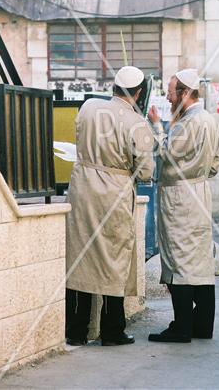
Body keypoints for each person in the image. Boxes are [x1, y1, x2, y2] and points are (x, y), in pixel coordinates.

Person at [66, 66, 154, 346]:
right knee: (114, 259)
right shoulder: (137, 122)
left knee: (80, 256)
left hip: (81, 189)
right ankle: (112, 330)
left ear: (114, 86)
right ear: (139, 93)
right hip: (114, 193)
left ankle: (76, 331)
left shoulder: (89, 107)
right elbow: (146, 172)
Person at [147, 68, 219, 343]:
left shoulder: (189, 122)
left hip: (180, 196)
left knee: (179, 259)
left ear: (185, 93)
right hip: (200, 192)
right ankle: (202, 326)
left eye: (171, 91)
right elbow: (216, 162)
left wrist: (156, 125)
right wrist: (198, 176)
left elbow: (165, 153)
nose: (167, 97)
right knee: (200, 260)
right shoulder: (208, 120)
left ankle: (181, 327)